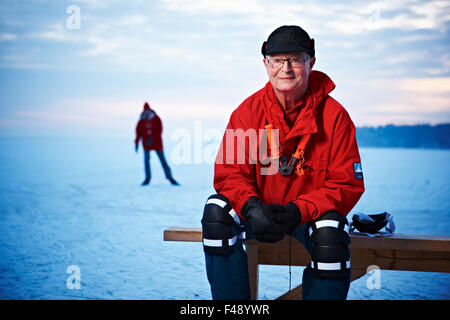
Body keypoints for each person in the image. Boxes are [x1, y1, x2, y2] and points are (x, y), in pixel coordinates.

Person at [201, 25, 365, 300]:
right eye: (277, 60)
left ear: (311, 62)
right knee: (217, 213)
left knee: (330, 236)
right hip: (258, 212)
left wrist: (295, 212)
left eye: (296, 59)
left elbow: (346, 183)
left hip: (308, 216)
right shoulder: (246, 113)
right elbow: (230, 174)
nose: (285, 68)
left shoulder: (336, 117)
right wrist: (252, 207)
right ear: (266, 64)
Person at [134, 102, 179, 186]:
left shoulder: (156, 118)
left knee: (163, 160)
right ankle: (147, 179)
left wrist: (152, 138)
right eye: (145, 110)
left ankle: (170, 178)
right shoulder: (141, 120)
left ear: (149, 110)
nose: (146, 112)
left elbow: (160, 129)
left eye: (147, 110)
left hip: (157, 144)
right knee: (146, 161)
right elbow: (138, 132)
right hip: (146, 145)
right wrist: (136, 143)